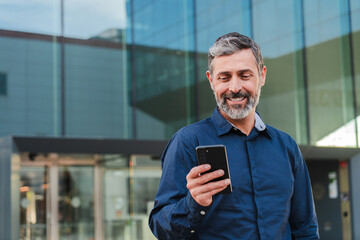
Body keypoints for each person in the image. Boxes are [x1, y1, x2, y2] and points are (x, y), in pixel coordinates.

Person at [149, 32, 319, 239]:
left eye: (245, 75)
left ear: (262, 76)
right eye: (224, 77)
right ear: (211, 81)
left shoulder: (286, 146)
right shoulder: (187, 142)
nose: (235, 88)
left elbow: (305, 228)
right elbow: (160, 227)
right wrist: (193, 203)